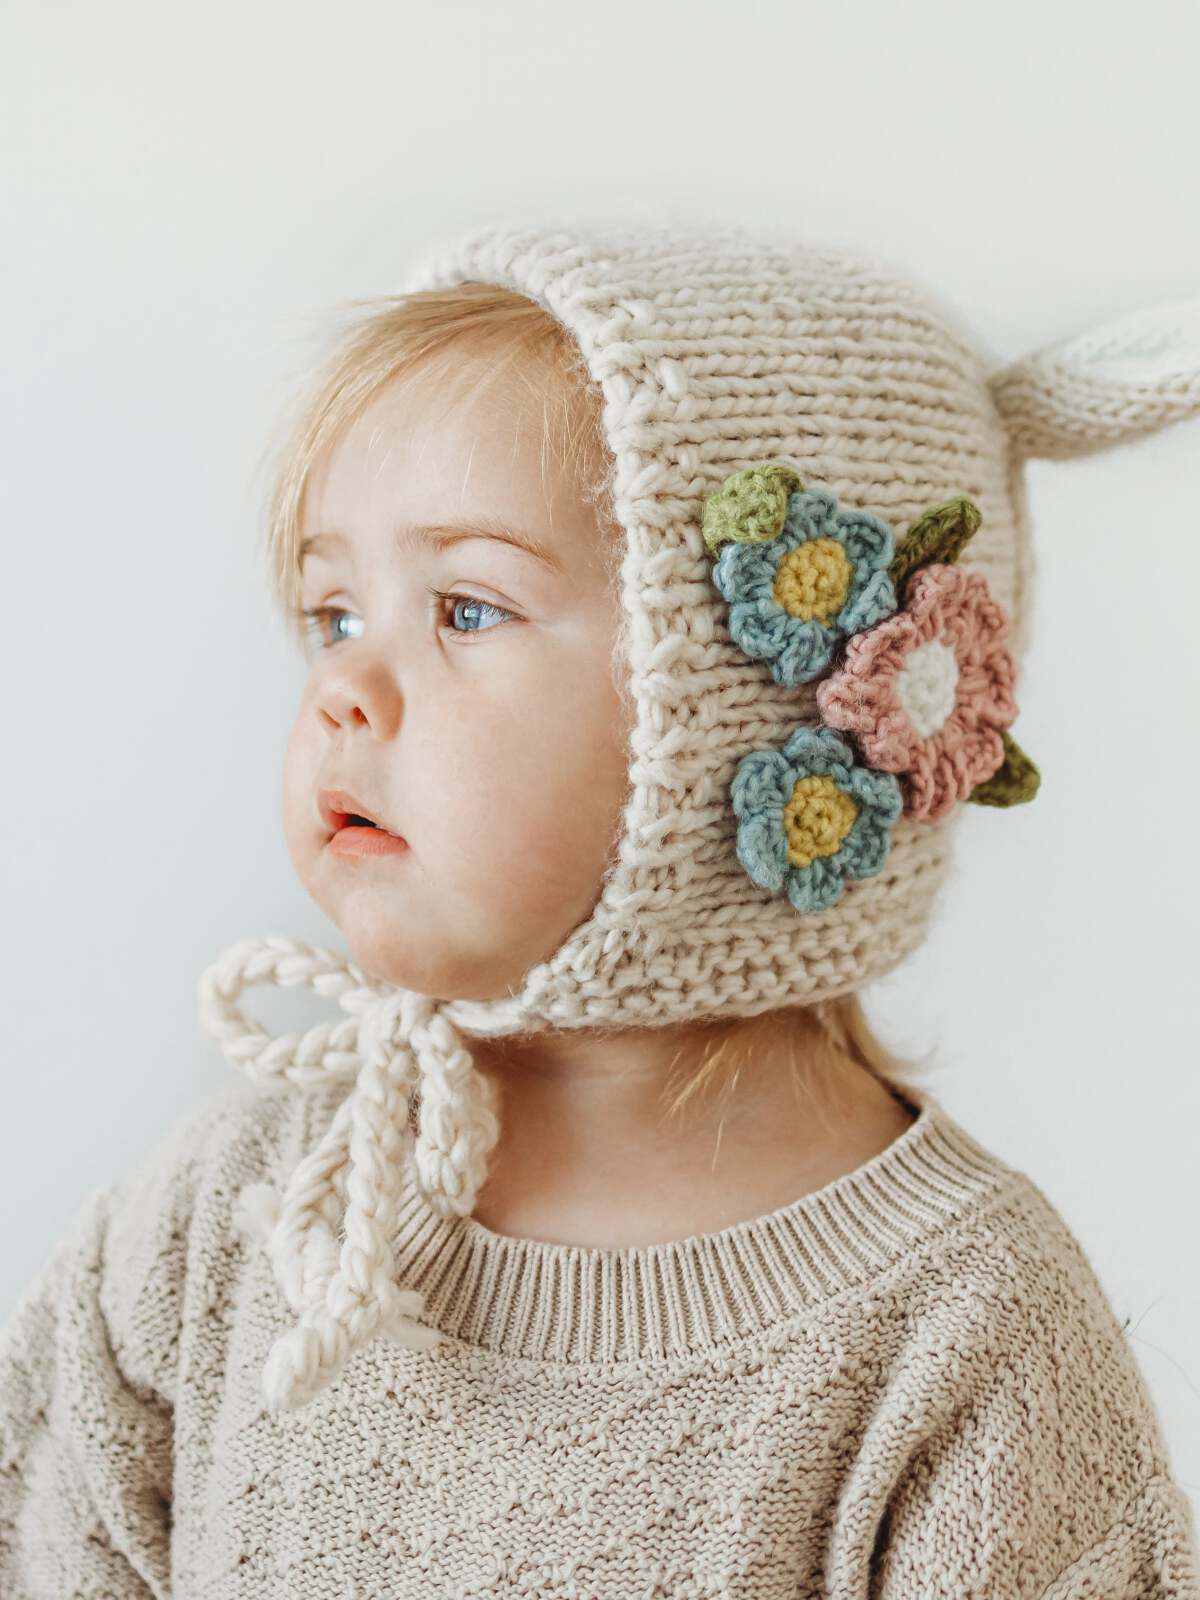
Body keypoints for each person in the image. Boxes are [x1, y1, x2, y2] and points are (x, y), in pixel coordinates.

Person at [2, 220, 1198, 1598]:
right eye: (333, 613)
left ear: (741, 709)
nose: (344, 688)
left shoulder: (961, 1340)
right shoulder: (233, 1223)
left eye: (463, 607)